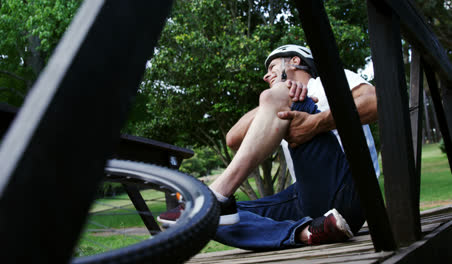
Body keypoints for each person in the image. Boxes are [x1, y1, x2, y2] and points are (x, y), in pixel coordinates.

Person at [158, 44, 379, 250]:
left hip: (352, 191)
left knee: (209, 204)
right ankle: (307, 232)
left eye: (272, 67)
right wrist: (272, 99)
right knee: (199, 215)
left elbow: (374, 102)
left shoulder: (326, 83)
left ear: (294, 61)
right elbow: (233, 139)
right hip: (311, 201)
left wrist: (316, 123)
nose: (266, 75)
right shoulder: (283, 96)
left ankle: (217, 194)